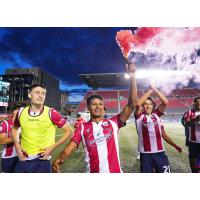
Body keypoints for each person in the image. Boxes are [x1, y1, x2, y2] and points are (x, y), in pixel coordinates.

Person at [52, 63, 138, 173]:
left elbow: (132, 104)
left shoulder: (114, 122)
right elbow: (70, 147)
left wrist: (133, 76)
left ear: (104, 107)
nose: (98, 107)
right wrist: (59, 160)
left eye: (100, 104)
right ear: (88, 107)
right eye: (94, 104)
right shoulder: (82, 128)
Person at [12, 84, 72, 173]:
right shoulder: (21, 112)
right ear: (29, 95)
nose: (41, 96)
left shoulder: (51, 112)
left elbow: (69, 131)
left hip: (42, 160)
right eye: (37, 93)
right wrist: (17, 145)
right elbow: (14, 128)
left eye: (43, 93)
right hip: (23, 159)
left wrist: (52, 147)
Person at [134, 86, 172, 173]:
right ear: (143, 106)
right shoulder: (139, 116)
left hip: (160, 153)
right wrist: (150, 90)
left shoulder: (156, 114)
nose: (148, 106)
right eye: (146, 104)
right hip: (145, 154)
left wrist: (155, 89)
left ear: (153, 105)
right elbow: (138, 104)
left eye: (150, 104)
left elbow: (165, 102)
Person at [0, 104, 21, 172]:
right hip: (8, 158)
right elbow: (2, 141)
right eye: (17, 111)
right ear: (13, 112)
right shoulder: (5, 124)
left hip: (21, 156)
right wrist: (17, 137)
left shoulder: (23, 125)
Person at [182, 96, 200, 173]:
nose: (199, 104)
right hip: (193, 143)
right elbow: (186, 124)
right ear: (194, 103)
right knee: (194, 168)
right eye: (197, 102)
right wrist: (196, 119)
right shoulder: (189, 112)